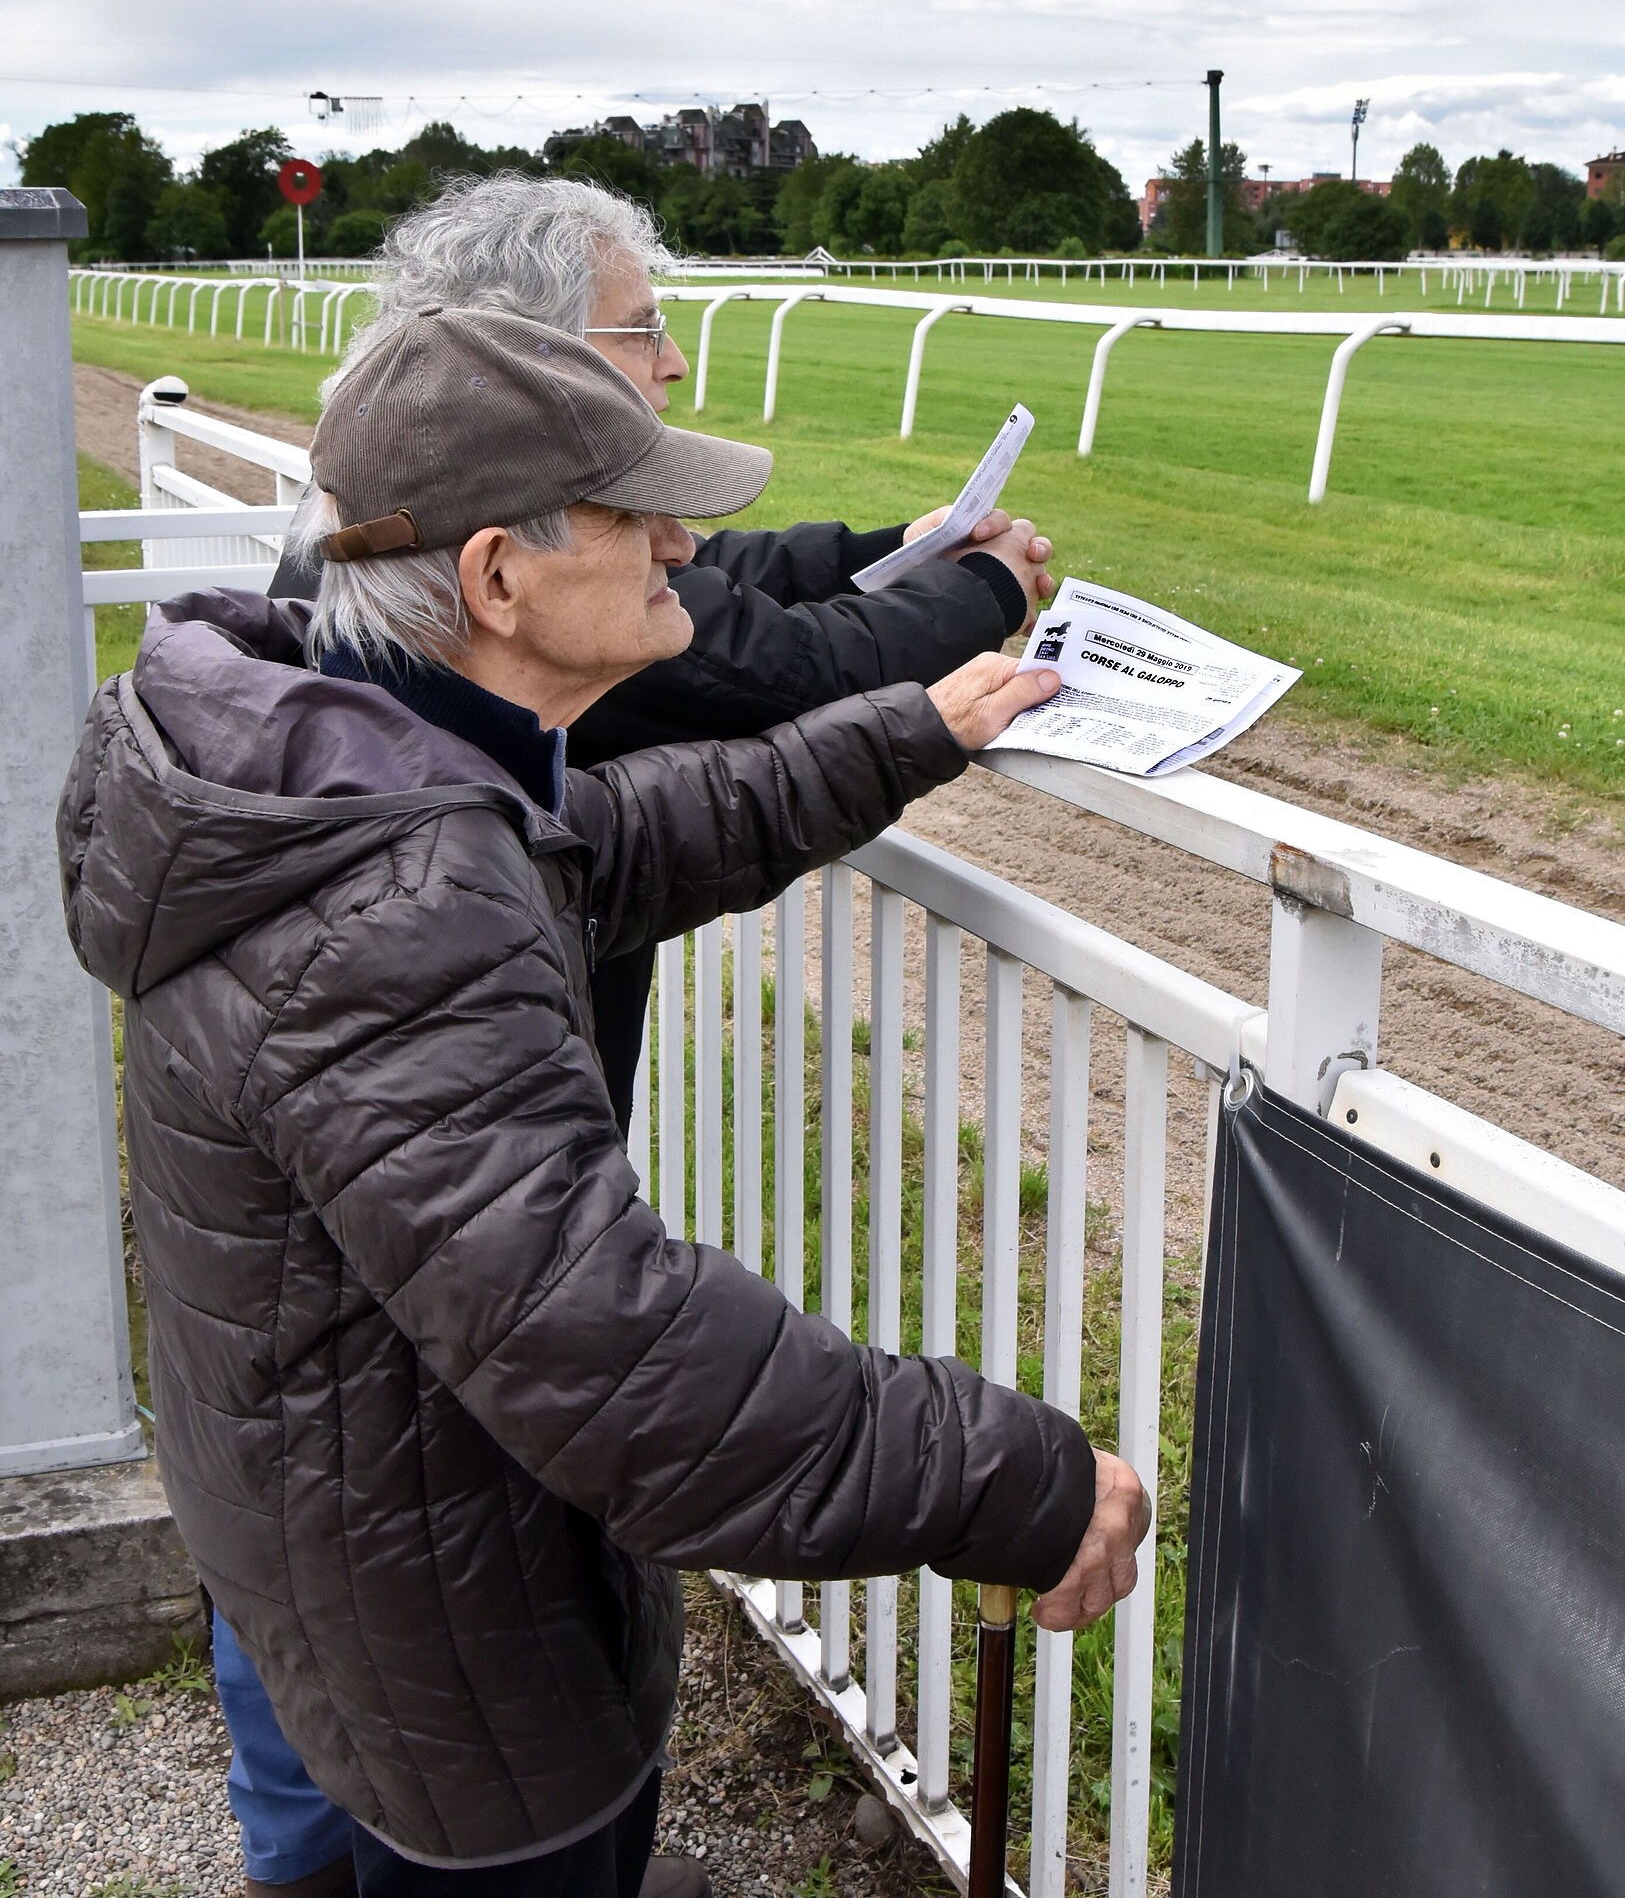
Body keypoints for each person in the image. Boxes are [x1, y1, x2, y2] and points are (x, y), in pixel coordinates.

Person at [62, 315, 1151, 1898]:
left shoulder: (362, 762)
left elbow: (604, 844)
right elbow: (612, 1349)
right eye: (637, 514)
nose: (681, 545)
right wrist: (1011, 1478)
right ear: (498, 578)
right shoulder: (394, 895)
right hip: (456, 1642)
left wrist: (907, 731)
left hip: (358, 1531)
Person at [268, 173, 1057, 1122]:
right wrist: (981, 591)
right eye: (642, 328)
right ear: (532, 352)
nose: (673, 360)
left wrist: (890, 562)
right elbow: (775, 670)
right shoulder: (431, 901)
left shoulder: (394, 532)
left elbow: (663, 827)